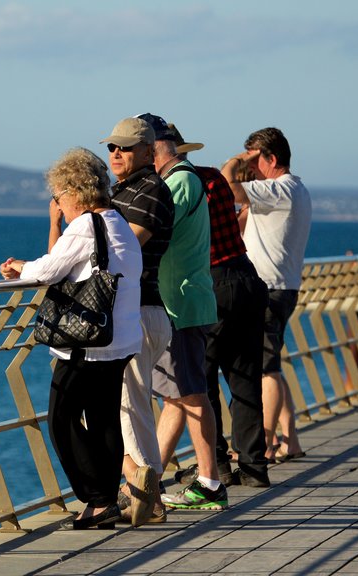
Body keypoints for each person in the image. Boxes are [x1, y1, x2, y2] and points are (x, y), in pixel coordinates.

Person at [0, 147, 143, 530]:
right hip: (120, 338)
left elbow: (46, 270)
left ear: (74, 192)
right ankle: (107, 502)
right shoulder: (120, 223)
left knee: (61, 418)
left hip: (86, 343)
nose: (58, 205)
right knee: (104, 420)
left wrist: (17, 267)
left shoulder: (83, 227)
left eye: (60, 197)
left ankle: (96, 498)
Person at [139, 115, 271, 490]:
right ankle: (254, 466)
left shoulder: (175, 186)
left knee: (199, 381)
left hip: (211, 281)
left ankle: (213, 468)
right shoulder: (211, 177)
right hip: (246, 275)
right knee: (244, 378)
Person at [132, 114, 226, 511]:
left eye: (136, 150)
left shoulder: (179, 182)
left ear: (153, 148)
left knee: (191, 392)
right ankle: (145, 483)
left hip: (181, 303)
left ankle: (209, 482)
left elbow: (149, 229)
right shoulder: (181, 179)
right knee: (175, 396)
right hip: (177, 301)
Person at [100, 117, 175, 525]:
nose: (116, 153)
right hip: (136, 312)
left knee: (131, 406)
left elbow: (121, 252)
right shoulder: (124, 190)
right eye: (112, 147)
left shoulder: (150, 192)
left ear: (149, 151)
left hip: (141, 311)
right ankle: (146, 492)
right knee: (131, 407)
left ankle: (148, 495)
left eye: (125, 147)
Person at [222, 127, 312, 464]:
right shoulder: (293, 190)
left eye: (254, 160)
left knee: (266, 371)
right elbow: (244, 224)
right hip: (282, 286)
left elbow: (228, 187)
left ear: (271, 159)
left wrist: (234, 162)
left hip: (269, 289)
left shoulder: (279, 189)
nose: (251, 167)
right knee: (270, 363)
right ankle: (292, 440)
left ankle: (264, 444)